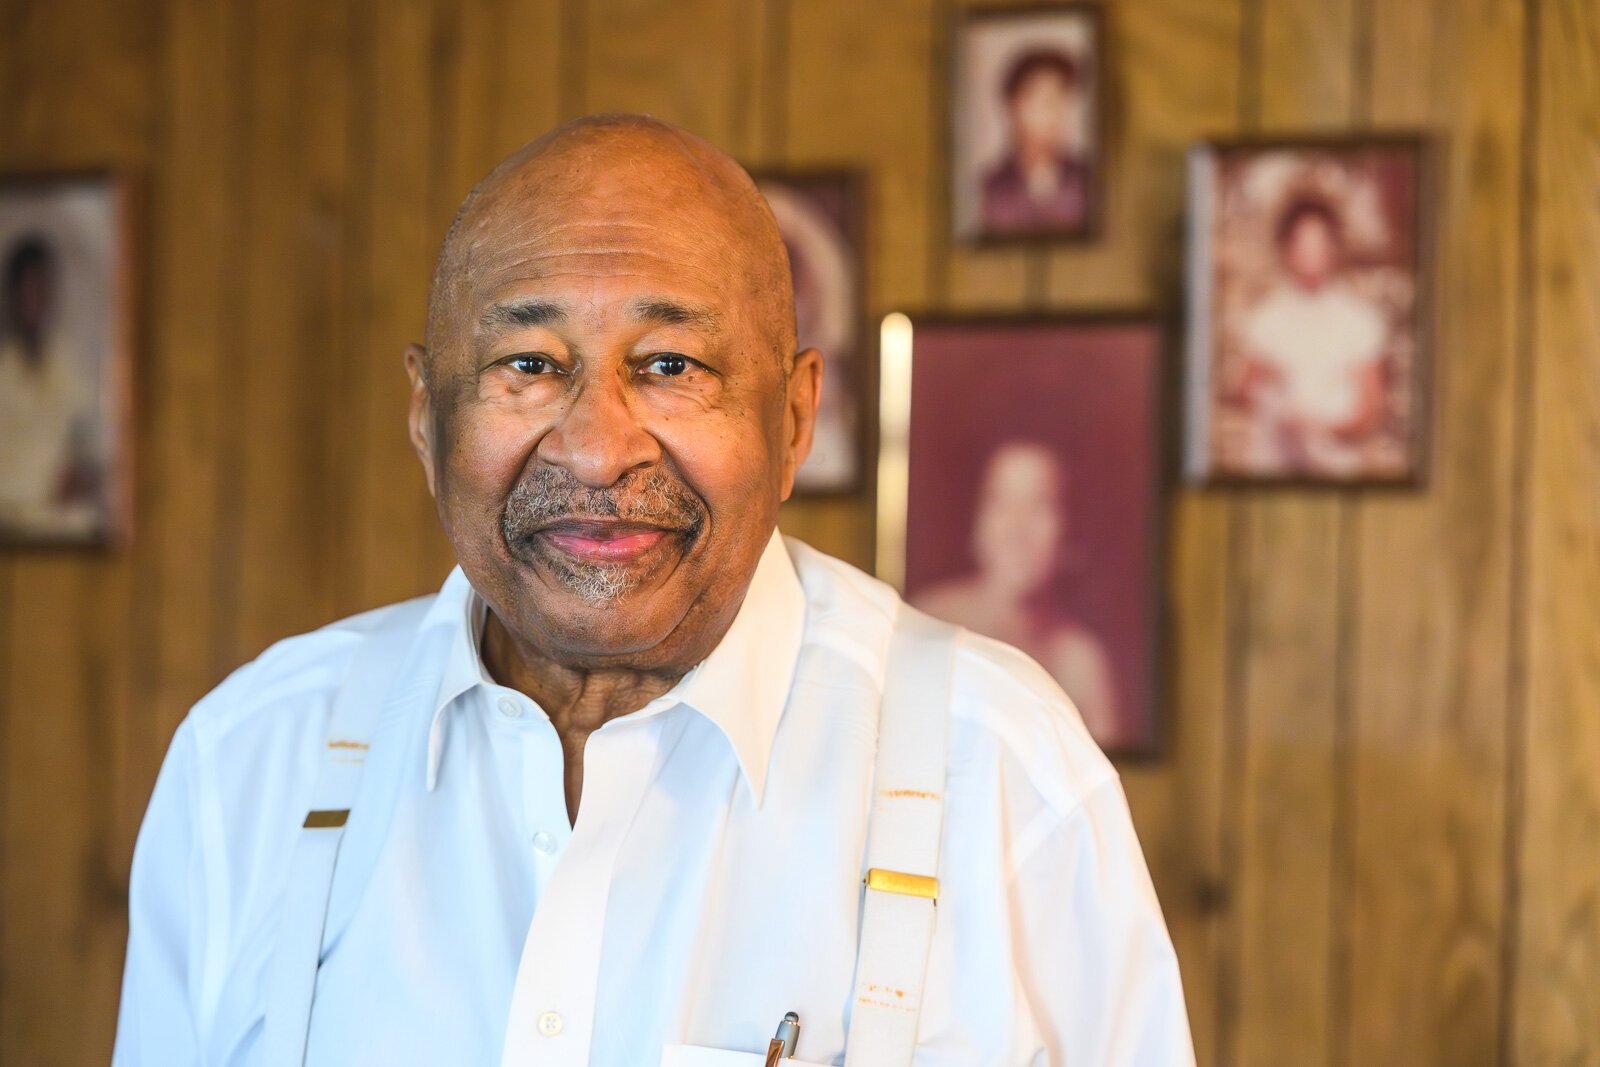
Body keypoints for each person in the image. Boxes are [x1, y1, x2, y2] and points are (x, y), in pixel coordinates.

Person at [113, 115, 1192, 1066]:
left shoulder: (998, 776)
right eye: (527, 363)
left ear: (794, 418)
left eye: (671, 364)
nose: (592, 448)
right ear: (423, 414)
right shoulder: (252, 762)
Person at [913, 442, 1124, 746]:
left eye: (1039, 505)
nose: (1017, 528)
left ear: (1069, 531)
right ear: (976, 523)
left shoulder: (1082, 662)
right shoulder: (925, 622)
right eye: (1001, 502)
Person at [1236, 195, 1391, 476]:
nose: (1310, 251)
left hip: (1334, 467)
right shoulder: (1265, 317)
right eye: (1301, 242)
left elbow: (1370, 411)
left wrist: (1322, 427)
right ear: (1285, 248)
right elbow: (1246, 392)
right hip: (1273, 464)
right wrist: (1263, 387)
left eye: (1319, 241)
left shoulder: (1360, 320)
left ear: (1335, 246)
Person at [0, 235, 98, 534]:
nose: (38, 299)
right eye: (30, 289)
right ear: (14, 295)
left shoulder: (69, 367)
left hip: (68, 530)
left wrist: (85, 472)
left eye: (44, 288)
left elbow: (90, 442)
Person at [980, 47, 1091, 234]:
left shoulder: (1088, 181)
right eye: (1048, 101)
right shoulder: (989, 191)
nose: (1059, 114)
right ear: (1015, 107)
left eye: (1064, 100)